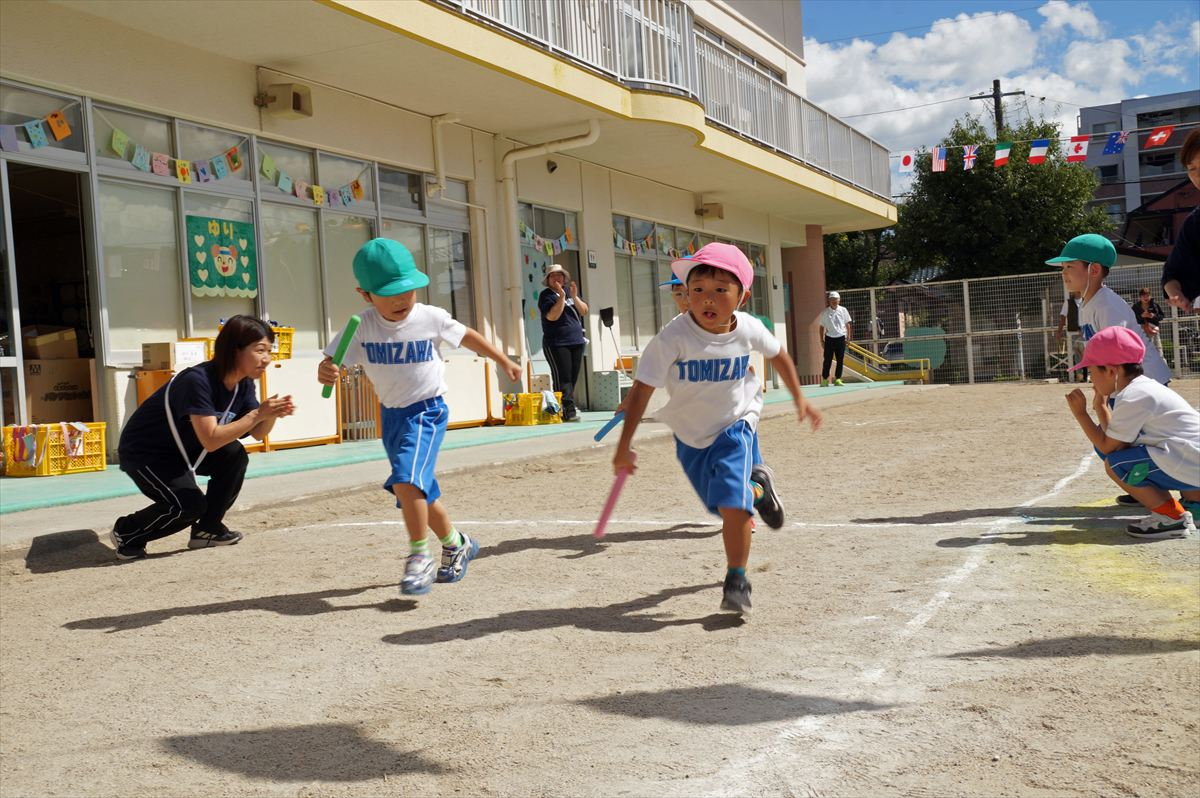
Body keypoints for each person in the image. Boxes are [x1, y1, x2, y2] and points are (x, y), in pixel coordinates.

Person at [612, 243, 822, 616]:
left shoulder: (750, 329)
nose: (707, 299)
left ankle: (737, 579)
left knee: (731, 505)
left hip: (736, 425)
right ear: (686, 294)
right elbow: (643, 389)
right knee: (721, 505)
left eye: (720, 290)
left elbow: (779, 356)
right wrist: (624, 445)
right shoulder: (672, 338)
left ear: (741, 296)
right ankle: (759, 489)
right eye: (698, 290)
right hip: (691, 436)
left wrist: (799, 400)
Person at [317, 238, 521, 597]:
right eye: (390, 293)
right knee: (417, 491)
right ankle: (457, 542)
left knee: (408, 481)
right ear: (365, 295)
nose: (402, 299)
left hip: (428, 410)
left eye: (408, 290)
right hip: (391, 416)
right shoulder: (362, 326)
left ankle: (418, 556)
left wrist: (502, 359)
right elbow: (331, 362)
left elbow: (468, 336)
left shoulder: (430, 317)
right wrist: (326, 372)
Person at [109, 316, 295, 560]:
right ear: (234, 350)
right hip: (147, 453)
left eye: (269, 351)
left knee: (234, 455)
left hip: (185, 448)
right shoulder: (197, 381)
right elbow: (211, 440)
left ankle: (207, 529)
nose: (267, 359)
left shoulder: (243, 384)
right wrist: (259, 413)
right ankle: (128, 531)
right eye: (260, 350)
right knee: (189, 505)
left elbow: (258, 433)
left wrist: (271, 414)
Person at [1065, 326, 1199, 539]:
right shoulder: (1140, 388)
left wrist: (1081, 414)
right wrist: (1100, 407)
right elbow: (1115, 442)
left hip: (1191, 462)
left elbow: (1110, 446)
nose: (1090, 379)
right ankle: (1185, 507)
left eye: (1091, 372)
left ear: (1111, 371)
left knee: (1116, 464)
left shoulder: (1134, 396)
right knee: (1113, 454)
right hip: (1189, 459)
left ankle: (1172, 518)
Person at [1048, 233, 1172, 385]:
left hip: (1145, 382)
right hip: (1123, 383)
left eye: (1069, 266)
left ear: (1094, 270)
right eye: (1062, 267)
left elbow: (1119, 354)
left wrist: (1105, 392)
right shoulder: (1089, 302)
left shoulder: (1106, 305)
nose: (1063, 272)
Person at [538, 263, 589, 422]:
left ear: (564, 277)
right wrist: (561, 297)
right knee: (563, 378)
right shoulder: (546, 295)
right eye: (553, 276)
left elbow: (584, 311)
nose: (557, 278)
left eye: (559, 275)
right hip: (557, 343)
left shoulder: (569, 292)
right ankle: (568, 411)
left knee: (572, 378)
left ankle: (564, 407)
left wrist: (573, 296)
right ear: (548, 280)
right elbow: (552, 316)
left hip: (576, 341)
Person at [1161, 128, 1200, 314]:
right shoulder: (1195, 222)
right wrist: (1175, 293)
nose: (1198, 175)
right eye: (1192, 169)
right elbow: (1172, 273)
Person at [817, 291, 852, 387]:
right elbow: (821, 327)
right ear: (829, 301)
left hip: (841, 337)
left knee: (840, 359)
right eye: (832, 299)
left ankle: (838, 379)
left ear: (839, 300)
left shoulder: (843, 310)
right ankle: (825, 379)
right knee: (827, 359)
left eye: (836, 299)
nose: (834, 301)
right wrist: (821, 340)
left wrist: (848, 337)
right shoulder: (825, 312)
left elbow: (847, 324)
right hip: (829, 338)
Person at [1055, 290, 1085, 380]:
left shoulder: (1087, 301)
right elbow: (1062, 318)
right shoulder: (1068, 303)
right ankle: (1080, 375)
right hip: (1074, 332)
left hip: (1086, 332)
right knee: (1077, 354)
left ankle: (1088, 374)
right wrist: (1059, 332)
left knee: (1086, 353)